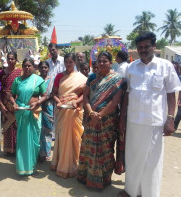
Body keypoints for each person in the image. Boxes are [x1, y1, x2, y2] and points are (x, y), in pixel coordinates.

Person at [118, 32, 181, 197]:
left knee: (152, 161)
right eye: (140, 47)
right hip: (134, 121)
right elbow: (126, 94)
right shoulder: (131, 68)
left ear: (153, 47)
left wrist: (170, 118)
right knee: (134, 158)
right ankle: (131, 191)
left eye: (147, 47)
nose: (143, 50)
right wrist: (122, 119)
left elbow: (171, 93)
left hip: (155, 123)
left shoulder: (165, 66)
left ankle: (149, 193)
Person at [77, 51, 124, 190]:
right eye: (99, 61)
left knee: (105, 149)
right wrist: (91, 112)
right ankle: (86, 176)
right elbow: (85, 96)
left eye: (105, 61)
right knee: (88, 147)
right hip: (91, 120)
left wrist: (100, 115)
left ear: (111, 63)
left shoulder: (117, 79)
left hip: (107, 121)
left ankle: (103, 179)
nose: (102, 63)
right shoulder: (91, 77)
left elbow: (116, 101)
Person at [50, 53, 87, 178]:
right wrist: (58, 101)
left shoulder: (81, 77)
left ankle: (76, 164)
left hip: (75, 110)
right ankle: (60, 164)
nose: (68, 64)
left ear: (75, 62)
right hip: (62, 110)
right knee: (62, 136)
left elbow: (85, 94)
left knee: (76, 137)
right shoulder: (59, 76)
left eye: (71, 62)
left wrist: (76, 101)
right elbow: (53, 93)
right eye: (66, 62)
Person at [10, 57, 47, 175]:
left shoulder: (38, 80)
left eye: (29, 65)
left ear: (34, 67)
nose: (27, 68)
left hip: (34, 112)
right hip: (22, 112)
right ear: (22, 67)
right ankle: (22, 167)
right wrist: (14, 103)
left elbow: (45, 95)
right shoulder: (17, 81)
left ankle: (32, 165)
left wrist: (38, 102)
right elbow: (11, 95)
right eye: (25, 65)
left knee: (35, 140)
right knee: (22, 140)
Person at [0, 51, 22, 155]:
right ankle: (8, 150)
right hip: (4, 102)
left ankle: (17, 149)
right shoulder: (2, 73)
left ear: (16, 60)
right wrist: (1, 104)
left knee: (16, 125)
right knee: (7, 125)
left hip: (15, 102)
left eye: (13, 59)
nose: (11, 60)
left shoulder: (20, 72)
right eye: (9, 58)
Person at [38, 61, 54, 161]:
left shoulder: (52, 80)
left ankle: (47, 153)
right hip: (37, 107)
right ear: (39, 69)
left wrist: (43, 99)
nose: (44, 69)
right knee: (39, 130)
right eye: (42, 67)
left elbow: (53, 93)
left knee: (47, 131)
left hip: (48, 107)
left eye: (45, 67)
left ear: (48, 68)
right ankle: (40, 153)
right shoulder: (36, 79)